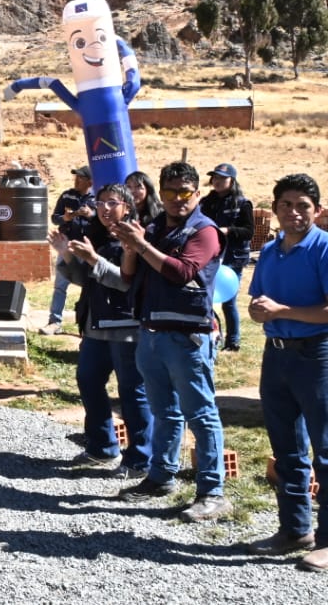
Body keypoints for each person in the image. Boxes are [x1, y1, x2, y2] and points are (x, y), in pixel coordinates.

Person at [111, 161, 230, 522]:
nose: (178, 198)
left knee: (201, 415)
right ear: (160, 193)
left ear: (197, 194)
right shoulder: (154, 228)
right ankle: (161, 476)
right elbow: (129, 276)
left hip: (187, 338)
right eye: (171, 192)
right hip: (151, 334)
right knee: (164, 412)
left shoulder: (205, 231)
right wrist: (130, 248)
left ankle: (212, 492)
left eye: (185, 192)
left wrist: (141, 244)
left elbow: (182, 272)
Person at [244, 173, 328, 571]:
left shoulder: (324, 248)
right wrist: (259, 312)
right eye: (286, 205)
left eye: (302, 205)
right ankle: (294, 529)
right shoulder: (271, 251)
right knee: (286, 449)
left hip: (317, 356)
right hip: (275, 355)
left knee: (325, 448)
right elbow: (258, 301)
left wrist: (282, 312)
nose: (294, 212)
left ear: (317, 210)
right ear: (275, 209)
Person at [52, 183, 152, 478]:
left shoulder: (136, 237)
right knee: (88, 380)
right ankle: (102, 447)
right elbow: (85, 279)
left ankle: (140, 459)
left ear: (127, 207)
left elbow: (125, 282)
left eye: (112, 203)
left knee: (132, 393)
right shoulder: (95, 234)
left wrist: (94, 259)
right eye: (100, 203)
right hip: (95, 324)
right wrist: (66, 255)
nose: (104, 209)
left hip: (126, 327)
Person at [200, 163, 254, 351]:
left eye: (222, 178)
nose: (217, 181)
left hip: (233, 258)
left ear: (232, 180)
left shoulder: (242, 203)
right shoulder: (206, 202)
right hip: (210, 257)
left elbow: (248, 231)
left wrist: (228, 231)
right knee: (206, 299)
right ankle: (214, 336)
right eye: (215, 177)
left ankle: (233, 341)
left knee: (228, 302)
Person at [43, 166, 95, 334]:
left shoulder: (97, 198)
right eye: (76, 177)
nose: (76, 180)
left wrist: (91, 215)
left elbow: (103, 222)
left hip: (87, 248)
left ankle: (87, 324)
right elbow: (54, 218)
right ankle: (54, 322)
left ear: (90, 182)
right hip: (66, 246)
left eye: (81, 178)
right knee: (60, 285)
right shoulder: (67, 195)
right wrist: (64, 218)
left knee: (89, 286)